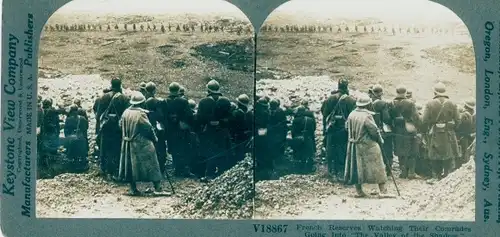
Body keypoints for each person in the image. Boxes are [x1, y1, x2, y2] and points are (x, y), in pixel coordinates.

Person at [118, 92, 165, 196]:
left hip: (127, 143)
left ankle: (133, 189)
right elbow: (148, 128)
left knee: (129, 165)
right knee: (152, 162)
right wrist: (154, 138)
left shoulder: (126, 112)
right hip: (140, 142)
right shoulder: (140, 114)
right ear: (142, 102)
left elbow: (120, 124)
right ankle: (158, 188)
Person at [344, 94, 390, 198]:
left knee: (356, 167)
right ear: (368, 104)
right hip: (367, 144)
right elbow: (374, 131)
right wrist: (380, 140)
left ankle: (359, 191)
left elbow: (346, 127)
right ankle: (383, 191)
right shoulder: (367, 116)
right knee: (378, 165)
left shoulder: (352, 114)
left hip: (353, 145)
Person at [422, 82, 460, 181]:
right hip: (448, 132)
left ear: (435, 92)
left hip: (434, 131)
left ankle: (435, 176)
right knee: (448, 152)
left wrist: (428, 129)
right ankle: (447, 175)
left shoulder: (429, 103)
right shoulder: (452, 103)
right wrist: (451, 127)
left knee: (434, 152)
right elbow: (458, 120)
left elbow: (424, 120)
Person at [321, 78, 356, 181]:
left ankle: (331, 173)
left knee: (331, 151)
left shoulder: (330, 99)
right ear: (347, 86)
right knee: (343, 151)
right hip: (344, 131)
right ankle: (342, 173)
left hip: (331, 130)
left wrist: (325, 130)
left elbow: (324, 114)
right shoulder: (351, 100)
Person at [94, 77, 130, 179]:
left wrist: (97, 129)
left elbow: (98, 115)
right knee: (116, 149)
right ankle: (116, 171)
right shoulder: (124, 98)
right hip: (118, 129)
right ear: (120, 85)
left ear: (111, 84)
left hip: (105, 127)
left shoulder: (104, 97)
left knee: (104, 148)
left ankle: (104, 170)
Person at [196, 80, 232, 180]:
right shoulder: (226, 101)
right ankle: (222, 174)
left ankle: (209, 174)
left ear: (208, 89)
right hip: (222, 131)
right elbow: (230, 118)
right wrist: (221, 123)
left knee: (210, 152)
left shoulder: (204, 101)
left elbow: (199, 118)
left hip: (209, 131)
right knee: (222, 151)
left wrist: (208, 123)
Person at [161, 82, 195, 177]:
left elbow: (163, 117)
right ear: (178, 90)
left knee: (174, 149)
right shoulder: (183, 101)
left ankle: (176, 168)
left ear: (169, 90)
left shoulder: (164, 102)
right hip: (181, 130)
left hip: (170, 130)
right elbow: (189, 116)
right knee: (184, 148)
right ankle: (184, 170)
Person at [389, 86, 421, 179]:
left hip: (397, 130)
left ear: (396, 92)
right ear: (405, 92)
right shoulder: (410, 103)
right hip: (409, 129)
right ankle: (411, 172)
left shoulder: (391, 103)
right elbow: (416, 117)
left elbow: (389, 117)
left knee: (400, 151)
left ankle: (403, 172)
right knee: (412, 150)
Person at [144, 82, 168, 176]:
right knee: (160, 148)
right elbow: (162, 116)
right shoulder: (158, 102)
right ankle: (160, 168)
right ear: (154, 90)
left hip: (147, 128)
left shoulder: (143, 102)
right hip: (158, 128)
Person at [370, 84, 394, 176]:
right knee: (387, 150)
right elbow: (386, 118)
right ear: (381, 93)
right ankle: (388, 170)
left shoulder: (368, 102)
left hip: (372, 130)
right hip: (384, 131)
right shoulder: (382, 103)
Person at [291, 106, 316, 174]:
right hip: (308, 138)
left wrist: (295, 138)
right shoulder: (310, 120)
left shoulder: (295, 120)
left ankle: (299, 170)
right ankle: (308, 170)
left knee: (299, 154)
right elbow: (313, 129)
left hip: (298, 139)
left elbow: (293, 132)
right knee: (308, 154)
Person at [63, 105, 89, 171]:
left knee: (74, 153)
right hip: (81, 137)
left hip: (72, 138)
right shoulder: (82, 118)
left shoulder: (68, 119)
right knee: (82, 152)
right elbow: (86, 128)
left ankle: (74, 165)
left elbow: (66, 131)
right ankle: (83, 165)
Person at [455, 98, 475, 169]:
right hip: (469, 137)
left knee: (461, 154)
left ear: (465, 105)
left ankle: (458, 168)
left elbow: (458, 126)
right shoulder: (473, 115)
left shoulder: (463, 115)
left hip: (461, 137)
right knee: (467, 152)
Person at [268, 98, 288, 165]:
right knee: (280, 145)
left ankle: (275, 159)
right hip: (279, 132)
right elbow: (284, 122)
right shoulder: (280, 111)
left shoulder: (269, 111)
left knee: (274, 145)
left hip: (274, 132)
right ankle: (279, 159)